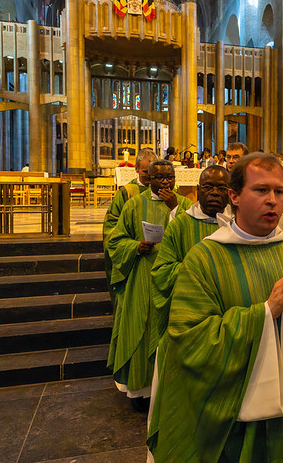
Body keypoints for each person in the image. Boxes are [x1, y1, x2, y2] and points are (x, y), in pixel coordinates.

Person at [146, 153, 283, 462]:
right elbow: (189, 336)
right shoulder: (204, 258)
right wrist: (264, 313)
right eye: (261, 190)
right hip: (233, 416)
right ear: (234, 196)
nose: (272, 200)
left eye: (279, 191)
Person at [106, 160, 192, 411]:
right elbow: (116, 240)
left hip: (174, 277)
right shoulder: (134, 205)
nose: (165, 182)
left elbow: (194, 235)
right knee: (141, 328)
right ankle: (141, 390)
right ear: (149, 179)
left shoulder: (185, 205)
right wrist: (136, 246)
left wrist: (175, 208)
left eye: (169, 177)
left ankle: (170, 387)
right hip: (143, 275)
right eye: (159, 178)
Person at [150, 165, 231, 335]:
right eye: (208, 187)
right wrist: (198, 270)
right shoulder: (180, 225)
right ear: (199, 190)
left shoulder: (238, 225)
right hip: (189, 315)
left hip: (229, 313)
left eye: (221, 188)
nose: (214, 193)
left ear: (231, 193)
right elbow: (161, 272)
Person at [102, 148, 156, 291]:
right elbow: (111, 227)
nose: (150, 176)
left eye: (153, 172)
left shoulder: (165, 191)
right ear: (136, 169)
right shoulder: (127, 193)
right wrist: (133, 247)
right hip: (134, 256)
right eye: (145, 171)